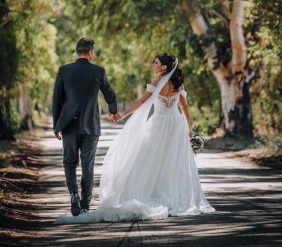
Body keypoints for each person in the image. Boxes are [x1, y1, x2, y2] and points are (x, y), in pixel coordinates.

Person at [54, 53, 214, 224]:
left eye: (156, 63)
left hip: (159, 124)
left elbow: (141, 102)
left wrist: (122, 114)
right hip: (176, 124)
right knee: (173, 161)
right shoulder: (179, 84)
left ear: (164, 67)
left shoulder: (157, 83)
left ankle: (149, 193)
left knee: (150, 159)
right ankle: (175, 199)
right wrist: (188, 128)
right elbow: (184, 106)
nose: (154, 65)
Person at [52, 37, 118, 216]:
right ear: (90, 52)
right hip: (91, 126)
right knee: (87, 165)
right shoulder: (98, 71)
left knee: (69, 162)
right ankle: (85, 204)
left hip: (69, 126)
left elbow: (57, 99)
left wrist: (56, 125)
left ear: (77, 52)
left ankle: (74, 195)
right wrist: (113, 111)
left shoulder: (64, 71)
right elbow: (110, 94)